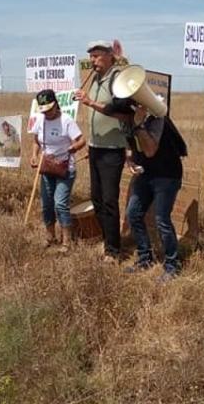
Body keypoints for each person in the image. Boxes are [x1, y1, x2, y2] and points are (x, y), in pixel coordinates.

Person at [116, 101, 188, 282]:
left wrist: (139, 124)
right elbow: (130, 147)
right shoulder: (127, 121)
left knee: (161, 219)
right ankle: (144, 259)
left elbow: (149, 150)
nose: (119, 119)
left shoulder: (156, 118)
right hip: (146, 173)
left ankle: (172, 265)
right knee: (133, 214)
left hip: (167, 174)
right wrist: (130, 162)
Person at [73, 40, 129, 262]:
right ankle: (108, 242)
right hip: (96, 147)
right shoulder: (95, 79)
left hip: (112, 149)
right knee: (96, 199)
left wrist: (89, 102)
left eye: (97, 56)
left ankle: (113, 251)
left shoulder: (118, 79)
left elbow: (122, 111)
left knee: (109, 200)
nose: (92, 60)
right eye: (91, 56)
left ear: (109, 56)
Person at [30, 89, 86, 252]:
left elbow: (81, 140)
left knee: (60, 203)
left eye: (49, 109)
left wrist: (73, 148)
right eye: (43, 110)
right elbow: (36, 141)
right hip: (47, 168)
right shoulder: (40, 120)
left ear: (55, 104)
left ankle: (66, 241)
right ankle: (50, 237)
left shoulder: (67, 120)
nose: (46, 113)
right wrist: (34, 155)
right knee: (47, 204)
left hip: (65, 169)